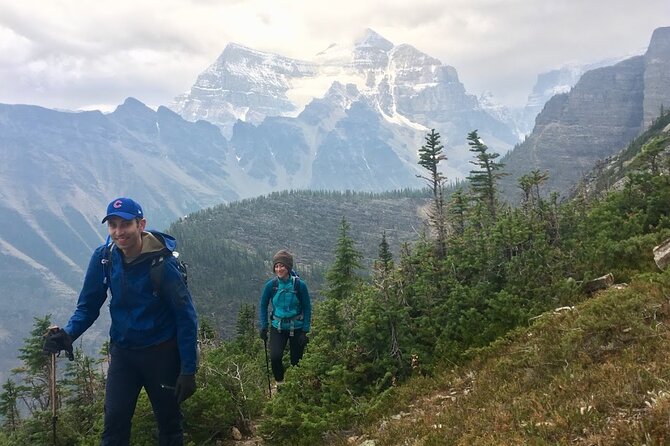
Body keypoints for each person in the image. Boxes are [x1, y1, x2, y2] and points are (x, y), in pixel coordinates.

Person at [43, 197, 198, 446]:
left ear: (140, 224)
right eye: (112, 225)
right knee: (114, 425)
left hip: (162, 355)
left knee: (169, 426)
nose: (118, 231)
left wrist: (188, 369)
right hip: (124, 354)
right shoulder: (104, 258)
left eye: (125, 224)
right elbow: (88, 305)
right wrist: (68, 334)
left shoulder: (163, 264)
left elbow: (186, 317)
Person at [258, 250, 312, 386]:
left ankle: (296, 386)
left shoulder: (300, 285)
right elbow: (263, 305)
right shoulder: (271, 286)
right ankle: (280, 384)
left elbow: (307, 307)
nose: (278, 269)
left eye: (282, 266)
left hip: (297, 327)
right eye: (276, 266)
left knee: (296, 361)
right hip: (278, 327)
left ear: (288, 267)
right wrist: (264, 326)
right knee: (275, 357)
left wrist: (305, 331)